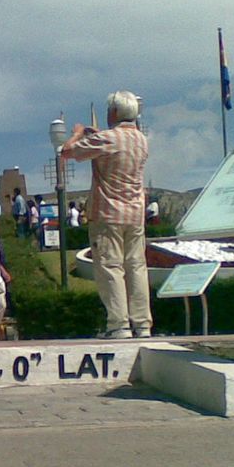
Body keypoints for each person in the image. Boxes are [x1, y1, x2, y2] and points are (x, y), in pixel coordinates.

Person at [61, 90, 153, 339]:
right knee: (136, 267)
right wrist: (97, 135)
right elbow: (114, 144)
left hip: (108, 212)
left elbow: (67, 152)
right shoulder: (142, 140)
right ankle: (142, 324)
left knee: (111, 267)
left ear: (113, 112)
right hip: (135, 213)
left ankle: (119, 325)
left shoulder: (108, 139)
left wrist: (77, 133)